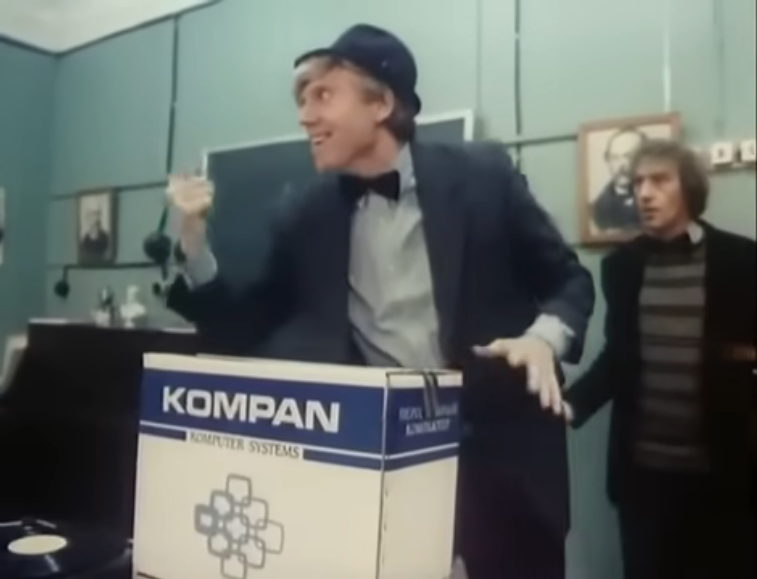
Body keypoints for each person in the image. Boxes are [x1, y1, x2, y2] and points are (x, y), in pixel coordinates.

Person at [167, 24, 595, 579]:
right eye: (301, 100)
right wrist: (193, 243)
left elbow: (569, 281)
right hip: (383, 471)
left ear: (382, 104)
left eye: (323, 94)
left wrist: (542, 338)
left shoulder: (484, 176)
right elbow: (240, 328)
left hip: (505, 465)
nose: (305, 116)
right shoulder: (305, 213)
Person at [564, 139, 755, 579]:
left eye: (659, 180)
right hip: (644, 480)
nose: (645, 193)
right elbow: (619, 358)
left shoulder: (742, 259)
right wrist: (568, 405)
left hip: (726, 474)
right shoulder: (622, 267)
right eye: (638, 183)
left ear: (689, 187)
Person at [591, 127, 647, 232]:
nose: (621, 165)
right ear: (607, 160)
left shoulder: (660, 201)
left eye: (629, 156)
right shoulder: (599, 208)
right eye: (615, 157)